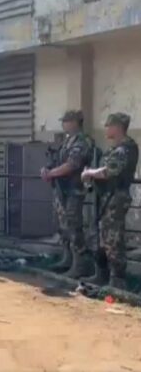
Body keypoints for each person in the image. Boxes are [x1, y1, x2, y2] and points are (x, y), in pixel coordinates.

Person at [81, 113, 139, 289]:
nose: (106, 129)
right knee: (101, 238)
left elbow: (110, 170)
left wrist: (90, 173)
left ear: (118, 127)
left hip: (115, 198)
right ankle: (101, 274)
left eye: (109, 125)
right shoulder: (113, 148)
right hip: (104, 196)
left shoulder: (126, 148)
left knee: (113, 238)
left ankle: (117, 280)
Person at [40, 110, 96, 277]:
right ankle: (67, 258)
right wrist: (47, 169)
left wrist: (51, 173)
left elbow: (72, 165)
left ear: (75, 122)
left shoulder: (83, 141)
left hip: (74, 189)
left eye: (66, 121)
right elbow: (58, 161)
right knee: (62, 225)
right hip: (61, 188)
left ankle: (80, 265)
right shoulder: (66, 141)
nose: (63, 124)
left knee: (74, 226)